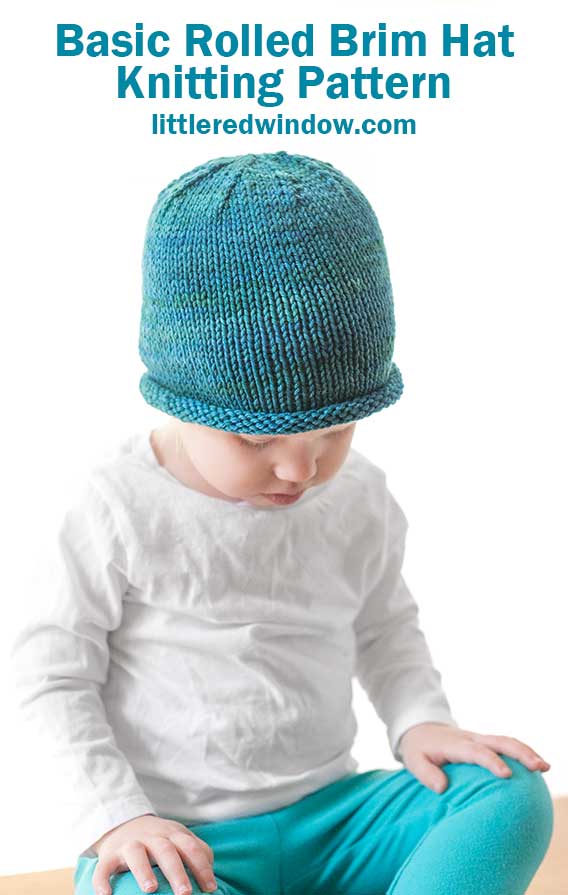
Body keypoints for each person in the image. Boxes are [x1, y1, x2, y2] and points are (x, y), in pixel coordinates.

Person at [11, 151, 553, 895]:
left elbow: (385, 625)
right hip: (182, 840)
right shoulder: (114, 507)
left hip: (334, 821)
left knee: (506, 791)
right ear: (181, 400)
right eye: (259, 440)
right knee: (137, 887)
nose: (301, 470)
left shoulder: (358, 494)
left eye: (334, 432)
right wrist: (115, 817)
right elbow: (47, 678)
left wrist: (421, 720)